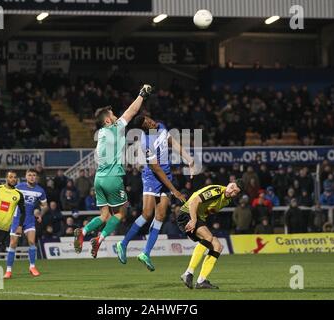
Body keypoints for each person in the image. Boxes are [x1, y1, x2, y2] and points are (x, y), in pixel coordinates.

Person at [73, 84, 153, 258]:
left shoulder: (101, 133)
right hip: (112, 177)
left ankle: (84, 232)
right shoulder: (114, 129)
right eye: (112, 115)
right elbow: (131, 112)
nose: (116, 116)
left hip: (99, 178)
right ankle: (99, 239)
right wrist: (142, 95)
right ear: (108, 121)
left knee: (104, 215)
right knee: (120, 213)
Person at [116, 114, 192, 271]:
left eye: (149, 119)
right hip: (152, 177)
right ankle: (122, 244)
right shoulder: (146, 143)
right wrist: (174, 190)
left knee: (161, 215)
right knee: (147, 213)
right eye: (148, 123)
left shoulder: (161, 126)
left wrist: (188, 158)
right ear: (144, 129)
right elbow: (156, 169)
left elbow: (173, 142)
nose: (151, 122)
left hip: (167, 175)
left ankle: (146, 253)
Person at [177, 180, 243, 289]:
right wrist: (193, 220)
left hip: (198, 218)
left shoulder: (226, 201)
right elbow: (194, 202)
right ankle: (188, 273)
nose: (231, 192)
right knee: (208, 237)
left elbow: (206, 211)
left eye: (235, 192)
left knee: (218, 247)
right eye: (232, 187)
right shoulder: (216, 191)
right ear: (230, 183)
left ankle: (201, 280)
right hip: (187, 213)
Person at [5, 169, 48, 279]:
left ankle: (32, 267)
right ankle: (8, 270)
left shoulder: (40, 190)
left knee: (32, 241)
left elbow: (45, 206)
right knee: (13, 243)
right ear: (26, 176)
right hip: (17, 218)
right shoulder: (18, 187)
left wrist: (40, 214)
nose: (32, 177)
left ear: (36, 177)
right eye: (29, 175)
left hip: (29, 219)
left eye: (34, 175)